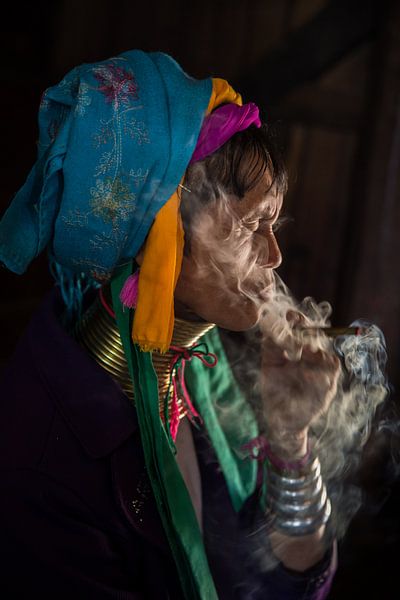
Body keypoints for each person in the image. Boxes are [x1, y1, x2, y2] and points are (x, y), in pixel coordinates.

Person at [0, 49, 340, 598]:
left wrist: (290, 437)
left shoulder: (200, 377)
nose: (274, 255)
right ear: (152, 235)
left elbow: (277, 585)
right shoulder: (43, 459)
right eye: (252, 224)